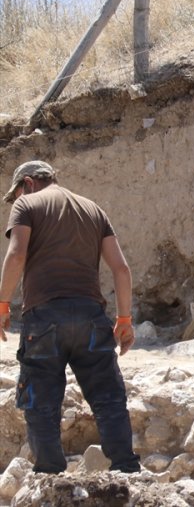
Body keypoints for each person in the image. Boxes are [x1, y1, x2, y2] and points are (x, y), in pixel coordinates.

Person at [0, 161, 141, 474]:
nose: (17, 197)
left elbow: (17, 254)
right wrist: (125, 320)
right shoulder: (93, 209)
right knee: (108, 397)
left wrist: (3, 304)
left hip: (44, 315)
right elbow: (121, 268)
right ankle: (126, 469)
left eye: (18, 192)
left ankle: (50, 476)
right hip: (91, 316)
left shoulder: (27, 203)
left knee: (41, 400)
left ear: (27, 183)